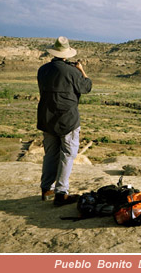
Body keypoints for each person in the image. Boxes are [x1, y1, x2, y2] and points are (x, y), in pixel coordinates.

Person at [37, 36, 92, 206]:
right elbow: (87, 87)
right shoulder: (73, 72)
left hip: (47, 118)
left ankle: (47, 189)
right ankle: (61, 193)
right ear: (67, 54)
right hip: (67, 119)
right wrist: (81, 70)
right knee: (67, 155)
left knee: (50, 155)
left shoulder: (43, 69)